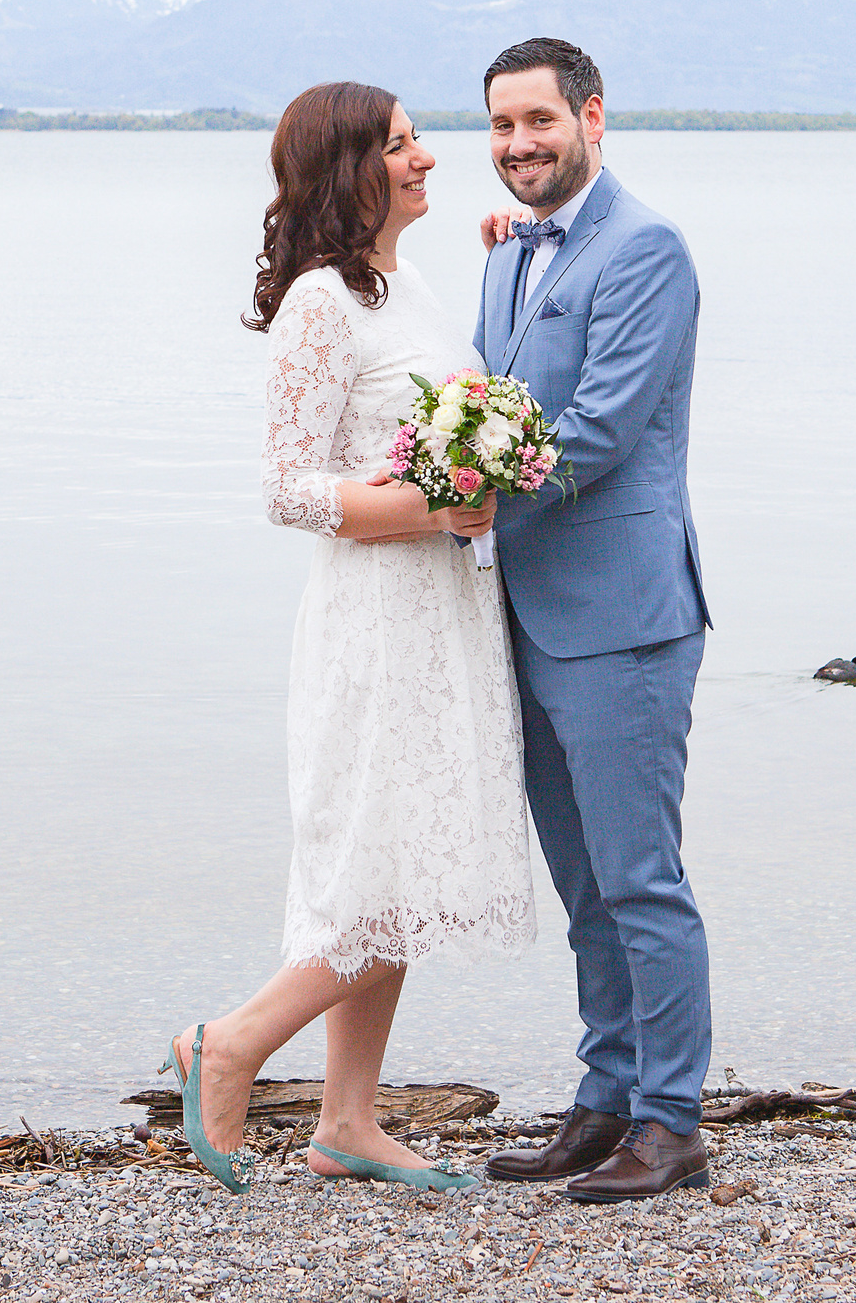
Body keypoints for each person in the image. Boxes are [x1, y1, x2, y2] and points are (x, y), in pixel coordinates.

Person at [165, 81, 535, 1194]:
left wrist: (515, 257)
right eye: (401, 144)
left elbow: (447, 411)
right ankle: (228, 1042)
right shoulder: (320, 302)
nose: (427, 157)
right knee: (379, 859)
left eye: (418, 139)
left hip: (444, 608)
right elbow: (287, 489)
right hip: (376, 619)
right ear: (349, 170)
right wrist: (442, 505)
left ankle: (348, 1121)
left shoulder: (407, 282)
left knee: (403, 852)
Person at [472, 38, 715, 1202]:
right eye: (501, 125)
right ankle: (605, 1096)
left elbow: (601, 428)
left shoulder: (646, 248)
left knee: (640, 880)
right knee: (583, 887)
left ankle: (673, 1120)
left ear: (593, 116)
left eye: (539, 121)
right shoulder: (509, 251)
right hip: (522, 613)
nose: (519, 144)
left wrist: (446, 502)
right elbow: (487, 394)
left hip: (622, 618)